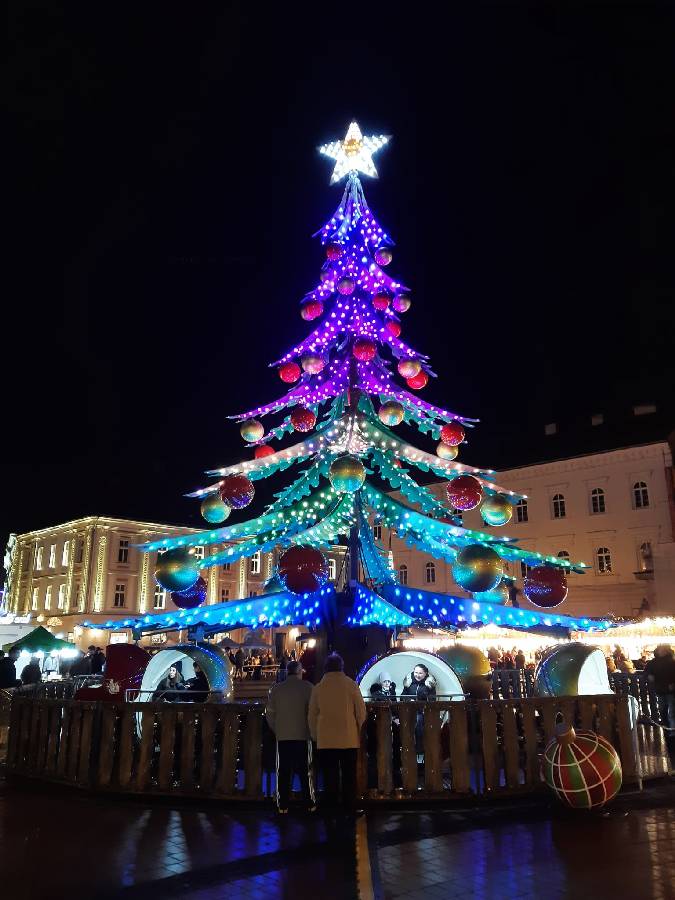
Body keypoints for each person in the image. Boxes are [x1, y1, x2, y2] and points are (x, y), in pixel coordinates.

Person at [309, 653, 366, 817]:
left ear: (325, 668)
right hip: (348, 738)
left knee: (329, 775)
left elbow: (312, 715)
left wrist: (315, 735)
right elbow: (361, 711)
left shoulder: (318, 688)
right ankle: (350, 807)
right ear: (342, 666)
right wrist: (358, 728)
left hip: (326, 739)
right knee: (349, 775)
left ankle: (331, 807)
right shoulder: (351, 685)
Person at [266, 660, 315, 814]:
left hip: (283, 735)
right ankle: (309, 802)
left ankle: (283, 804)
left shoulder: (277, 689)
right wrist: (311, 730)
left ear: (287, 672)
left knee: (283, 771)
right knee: (305, 771)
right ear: (299, 672)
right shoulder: (308, 687)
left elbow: (270, 713)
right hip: (302, 735)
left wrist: (277, 729)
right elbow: (313, 712)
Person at [402, 663, 436, 763]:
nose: (417, 675)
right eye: (416, 672)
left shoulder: (429, 684)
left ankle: (420, 751)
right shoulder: (409, 683)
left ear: (425, 673)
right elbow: (403, 696)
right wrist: (410, 701)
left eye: (420, 673)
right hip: (409, 710)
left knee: (419, 722)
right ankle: (408, 751)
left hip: (422, 712)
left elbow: (432, 700)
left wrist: (420, 703)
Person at [644, 645, 675, 731]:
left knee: (671, 712)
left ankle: (671, 730)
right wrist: (649, 675)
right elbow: (646, 672)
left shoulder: (671, 661)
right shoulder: (654, 662)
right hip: (660, 690)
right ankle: (667, 728)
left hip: (670, 690)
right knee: (663, 710)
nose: (662, 651)